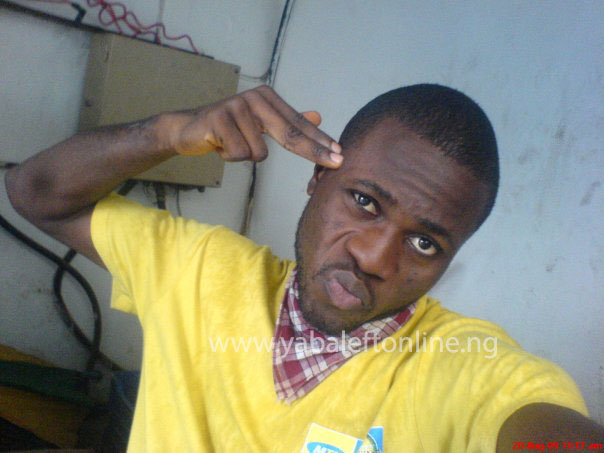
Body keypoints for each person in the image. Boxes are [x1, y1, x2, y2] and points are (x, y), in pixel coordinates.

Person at [5, 84, 603, 452]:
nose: (374, 258)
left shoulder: (463, 366)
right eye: (364, 202)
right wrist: (169, 132)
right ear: (319, 178)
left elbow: (536, 425)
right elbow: (35, 192)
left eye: (425, 243)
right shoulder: (198, 269)